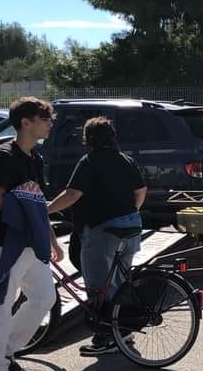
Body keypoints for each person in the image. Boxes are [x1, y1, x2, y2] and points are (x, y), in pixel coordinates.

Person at [48, 116, 147, 356]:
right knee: (119, 284)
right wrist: (130, 212)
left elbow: (72, 195)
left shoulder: (89, 161)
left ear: (88, 138)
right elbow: (141, 191)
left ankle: (107, 337)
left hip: (102, 229)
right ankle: (123, 331)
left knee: (98, 287)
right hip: (131, 227)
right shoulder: (126, 160)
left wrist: (45, 209)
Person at [0, 97, 62, 371]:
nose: (50, 124)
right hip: (6, 244)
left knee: (44, 298)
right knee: (0, 304)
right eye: (45, 119)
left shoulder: (35, 158)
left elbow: (37, 204)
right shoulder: (3, 157)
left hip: (31, 243)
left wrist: (51, 239)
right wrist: (22, 194)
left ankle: (6, 349)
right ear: (25, 122)